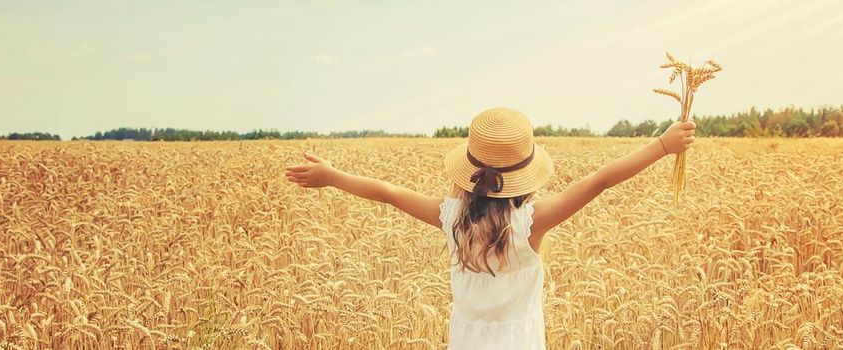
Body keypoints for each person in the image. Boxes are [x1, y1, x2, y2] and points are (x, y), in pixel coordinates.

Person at [284, 107, 695, 349]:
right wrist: (662, 145)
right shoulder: (532, 225)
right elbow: (600, 180)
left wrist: (333, 175)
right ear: (527, 174)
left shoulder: (452, 218)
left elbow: (389, 192)